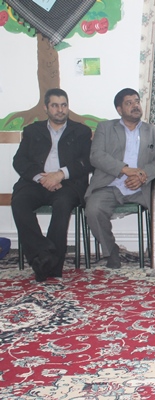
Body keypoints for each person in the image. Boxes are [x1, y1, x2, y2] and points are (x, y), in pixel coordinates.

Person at [12, 88, 93, 282]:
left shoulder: (81, 131)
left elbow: (87, 161)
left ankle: (51, 266)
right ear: (46, 108)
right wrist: (42, 178)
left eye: (64, 105)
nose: (60, 110)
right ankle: (44, 255)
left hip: (67, 184)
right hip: (36, 182)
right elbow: (19, 161)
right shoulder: (32, 131)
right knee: (19, 202)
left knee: (62, 204)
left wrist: (60, 175)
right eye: (55, 105)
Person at [85, 88, 155, 269]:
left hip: (141, 187)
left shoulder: (153, 132)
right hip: (110, 184)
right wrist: (124, 169)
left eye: (137, 101)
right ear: (119, 109)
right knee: (93, 209)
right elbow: (96, 156)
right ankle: (111, 250)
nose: (135, 106)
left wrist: (142, 176)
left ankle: (154, 249)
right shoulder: (105, 128)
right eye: (129, 103)